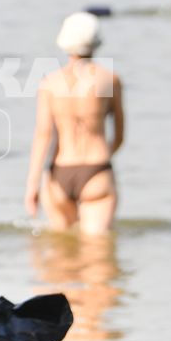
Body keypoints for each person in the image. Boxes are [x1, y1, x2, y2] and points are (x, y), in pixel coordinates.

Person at [24, 13, 125, 235]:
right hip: (96, 168)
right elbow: (119, 136)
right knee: (97, 253)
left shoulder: (49, 82)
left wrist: (32, 185)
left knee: (61, 255)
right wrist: (103, 160)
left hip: (60, 171)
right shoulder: (110, 79)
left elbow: (43, 135)